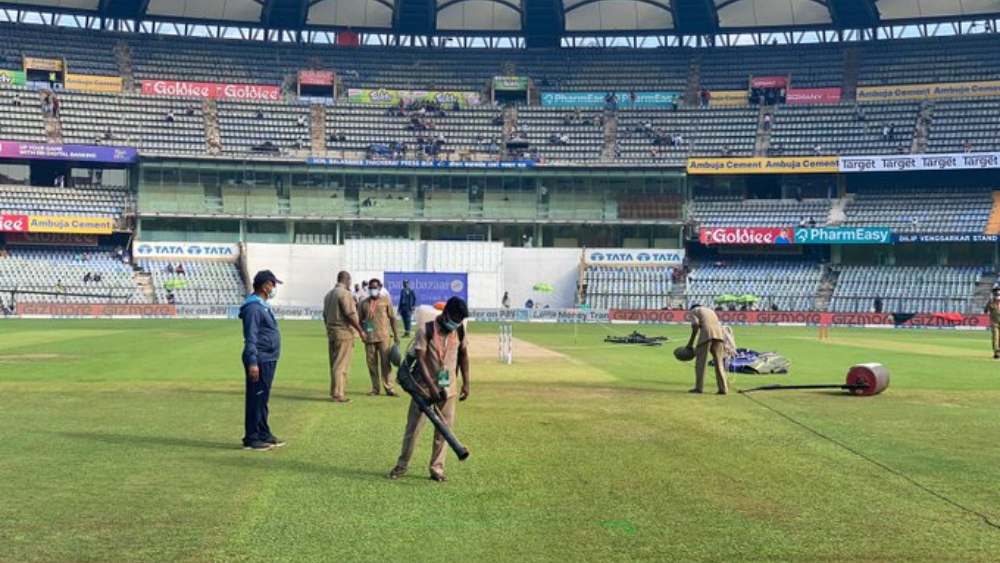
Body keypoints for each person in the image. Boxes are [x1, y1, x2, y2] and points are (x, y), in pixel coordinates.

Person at [388, 297, 471, 482]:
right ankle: (402, 465)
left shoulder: (459, 330)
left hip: (448, 390)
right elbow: (421, 359)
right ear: (446, 313)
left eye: (459, 320)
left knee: (444, 432)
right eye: (455, 318)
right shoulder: (426, 330)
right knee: (413, 430)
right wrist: (431, 388)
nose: (456, 323)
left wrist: (466, 382)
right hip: (423, 389)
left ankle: (437, 469)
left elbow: (464, 355)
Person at [239, 270, 285, 451]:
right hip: (260, 358)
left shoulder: (261, 305)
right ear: (266, 285)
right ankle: (251, 437)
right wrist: (252, 362)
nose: (274, 288)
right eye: (273, 284)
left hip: (268, 357)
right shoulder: (253, 308)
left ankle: (263, 432)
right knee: (256, 398)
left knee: (262, 398)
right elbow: (251, 337)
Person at [323, 271, 367, 403]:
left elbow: (324, 315)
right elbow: (350, 314)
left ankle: (334, 391)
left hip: (332, 332)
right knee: (341, 365)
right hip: (344, 332)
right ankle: (338, 394)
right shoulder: (345, 294)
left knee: (335, 363)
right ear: (347, 280)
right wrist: (361, 331)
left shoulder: (329, 294)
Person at [359, 279, 400, 396]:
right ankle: (375, 388)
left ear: (380, 287)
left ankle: (389, 388)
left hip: (384, 337)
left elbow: (392, 318)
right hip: (369, 338)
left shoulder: (386, 301)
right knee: (371, 364)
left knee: (386, 364)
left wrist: (396, 335)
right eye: (370, 288)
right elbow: (359, 320)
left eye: (375, 288)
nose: (373, 290)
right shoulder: (363, 303)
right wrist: (362, 332)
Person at [684, 304, 729, 395]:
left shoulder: (693, 311)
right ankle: (723, 388)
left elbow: (695, 325)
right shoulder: (711, 311)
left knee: (701, 362)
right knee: (719, 363)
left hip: (706, 334)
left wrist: (690, 343)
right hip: (719, 334)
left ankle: (699, 388)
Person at [984, 288, 1000, 360]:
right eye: (996, 293)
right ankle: (996, 353)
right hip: (994, 323)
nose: (997, 295)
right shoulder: (990, 302)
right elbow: (985, 311)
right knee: (995, 337)